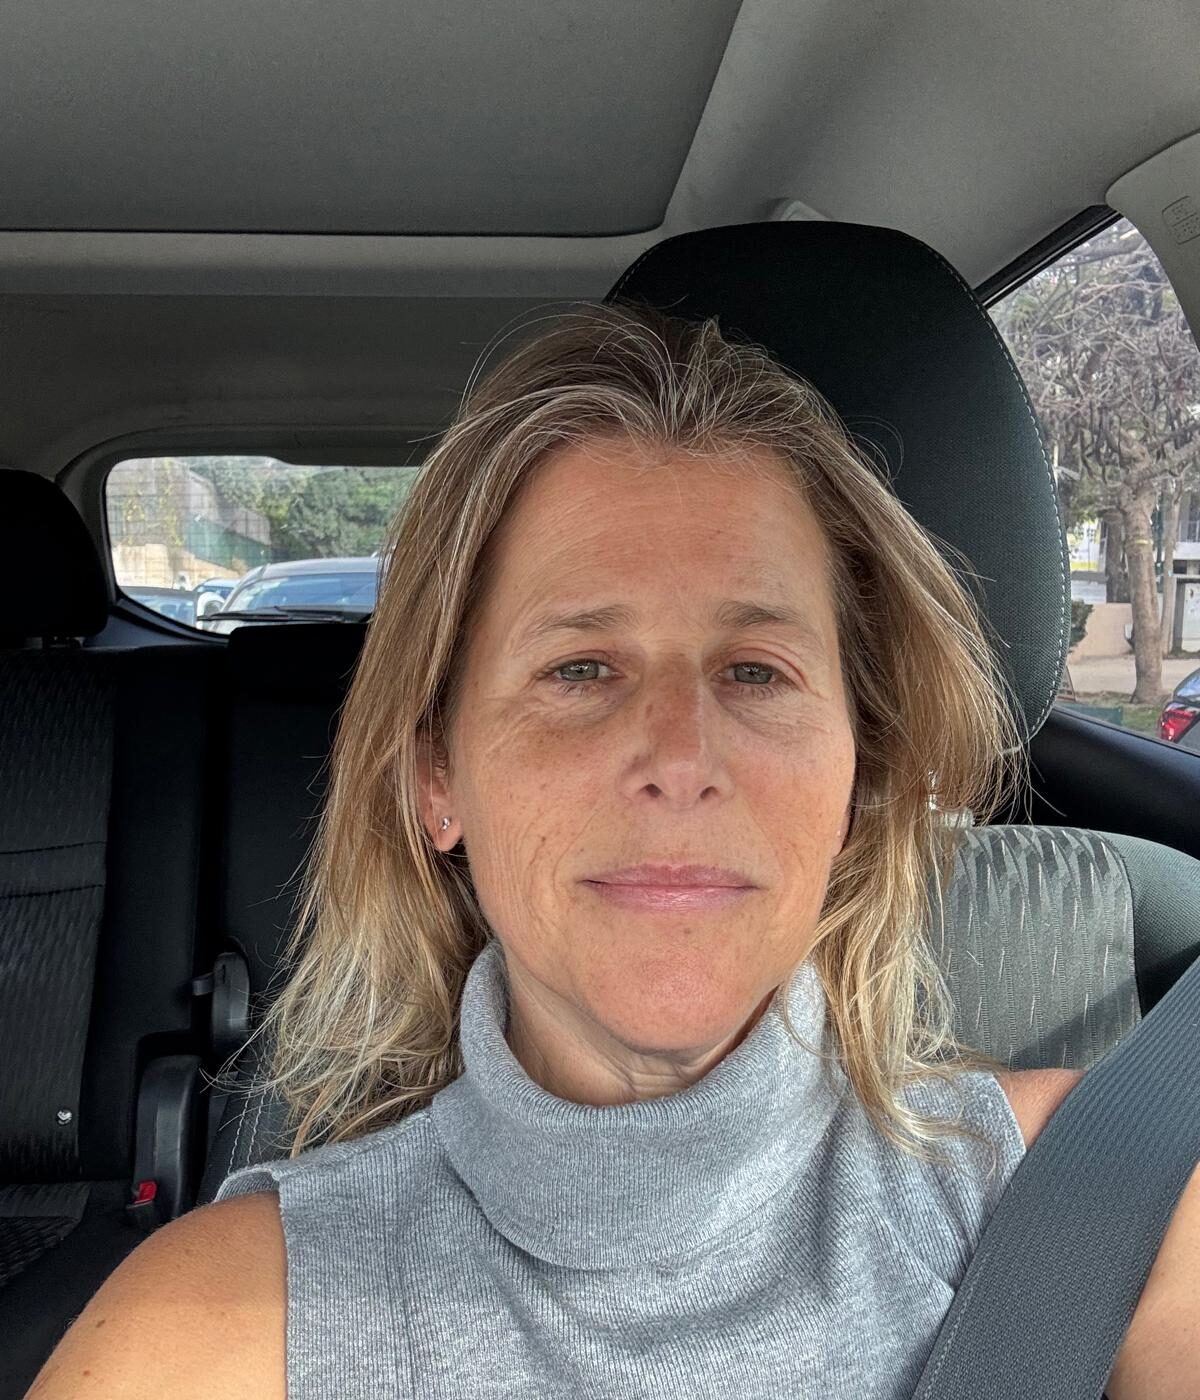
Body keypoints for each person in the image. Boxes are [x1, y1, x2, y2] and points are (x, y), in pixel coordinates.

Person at [30, 303, 1101, 1398]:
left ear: (858, 778)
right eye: (581, 669)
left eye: (755, 670)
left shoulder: (1101, 1189)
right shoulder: (218, 1323)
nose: (680, 758)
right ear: (437, 776)